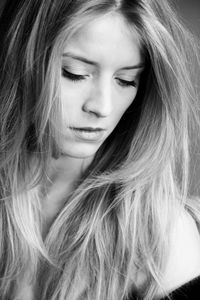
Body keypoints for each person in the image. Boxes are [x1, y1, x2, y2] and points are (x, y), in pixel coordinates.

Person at [0, 0, 199, 299]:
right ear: (20, 63)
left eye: (125, 80)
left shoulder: (159, 234)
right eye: (74, 73)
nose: (102, 107)